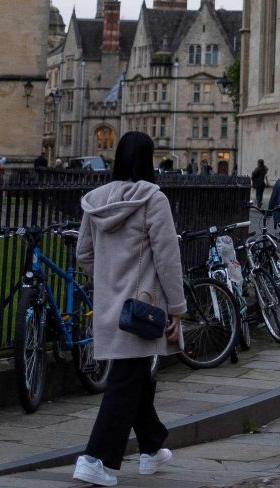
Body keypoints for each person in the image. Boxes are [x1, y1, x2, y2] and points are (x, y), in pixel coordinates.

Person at [72, 132, 188, 486]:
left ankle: (151, 448)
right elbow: (168, 258)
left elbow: (83, 255)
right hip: (142, 306)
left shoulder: (96, 201)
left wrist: (109, 280)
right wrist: (177, 308)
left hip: (110, 305)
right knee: (125, 383)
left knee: (136, 378)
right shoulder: (154, 200)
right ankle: (94, 458)